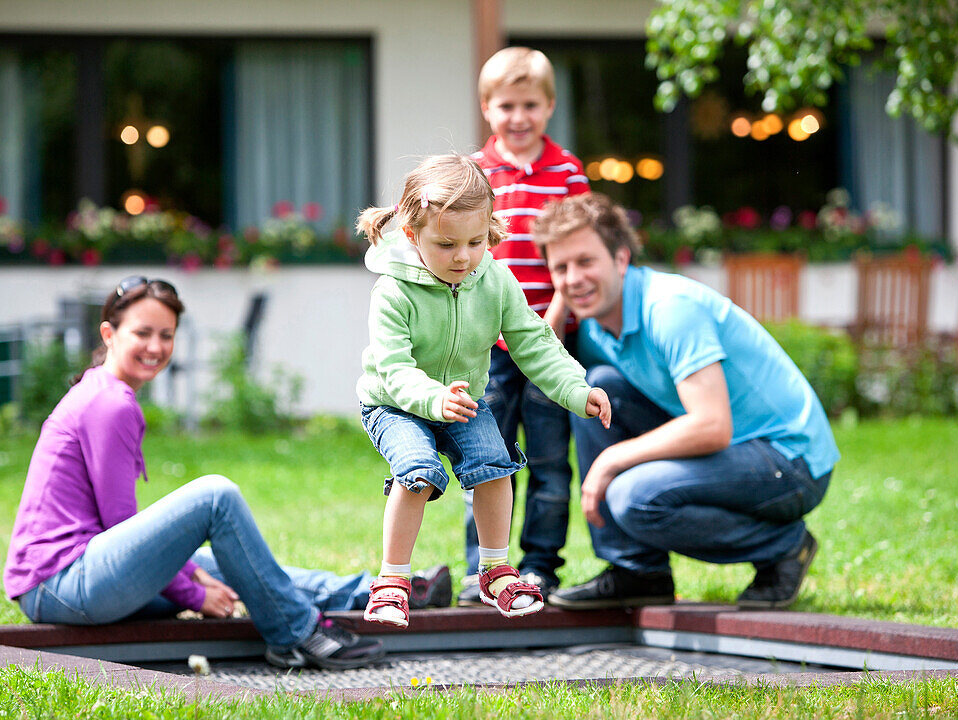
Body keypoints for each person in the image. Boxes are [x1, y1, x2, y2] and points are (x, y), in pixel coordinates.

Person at [3, 276, 451, 671]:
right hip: (61, 583)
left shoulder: (104, 393)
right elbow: (119, 526)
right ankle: (296, 634)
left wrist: (190, 579)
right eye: (142, 333)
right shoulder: (109, 403)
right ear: (109, 333)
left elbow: (117, 534)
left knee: (231, 563)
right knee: (215, 496)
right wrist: (194, 595)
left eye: (167, 335)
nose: (155, 347)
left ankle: (381, 593)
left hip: (73, 578)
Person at [533, 194, 839, 609]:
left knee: (633, 496)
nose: (574, 278)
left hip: (791, 461)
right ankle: (637, 572)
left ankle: (785, 546)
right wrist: (563, 294)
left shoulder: (670, 309)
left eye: (586, 262)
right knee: (594, 388)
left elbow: (712, 426)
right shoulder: (599, 323)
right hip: (738, 449)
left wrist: (612, 459)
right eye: (561, 268)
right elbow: (543, 362)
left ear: (621, 260)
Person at [355, 154, 612, 628]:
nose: (463, 257)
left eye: (475, 242)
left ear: (490, 230)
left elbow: (533, 341)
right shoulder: (393, 290)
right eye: (447, 244)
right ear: (412, 236)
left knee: (495, 464)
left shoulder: (493, 278)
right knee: (420, 470)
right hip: (396, 404)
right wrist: (434, 399)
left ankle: (495, 570)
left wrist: (577, 389)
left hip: (463, 401)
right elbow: (393, 368)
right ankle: (392, 580)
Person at [458, 46, 592, 605]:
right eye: (506, 105)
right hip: (486, 347)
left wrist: (551, 324)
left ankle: (540, 566)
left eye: (530, 105)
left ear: (550, 107)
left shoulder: (566, 173)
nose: (518, 117)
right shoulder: (475, 174)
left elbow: (580, 251)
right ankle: (484, 569)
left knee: (548, 460)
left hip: (550, 340)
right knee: (487, 458)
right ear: (487, 108)